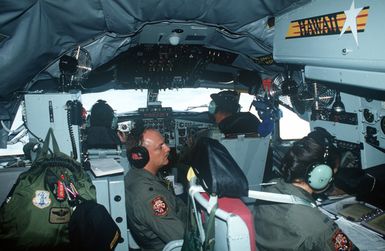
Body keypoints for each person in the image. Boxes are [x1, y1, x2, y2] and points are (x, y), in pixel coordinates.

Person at [253, 134, 356, 251]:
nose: (331, 180)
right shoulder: (317, 226)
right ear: (320, 176)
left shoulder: (272, 186)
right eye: (332, 174)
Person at [124, 128, 187, 251]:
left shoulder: (135, 175)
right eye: (160, 146)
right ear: (141, 156)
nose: (168, 148)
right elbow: (183, 240)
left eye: (165, 143)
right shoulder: (149, 197)